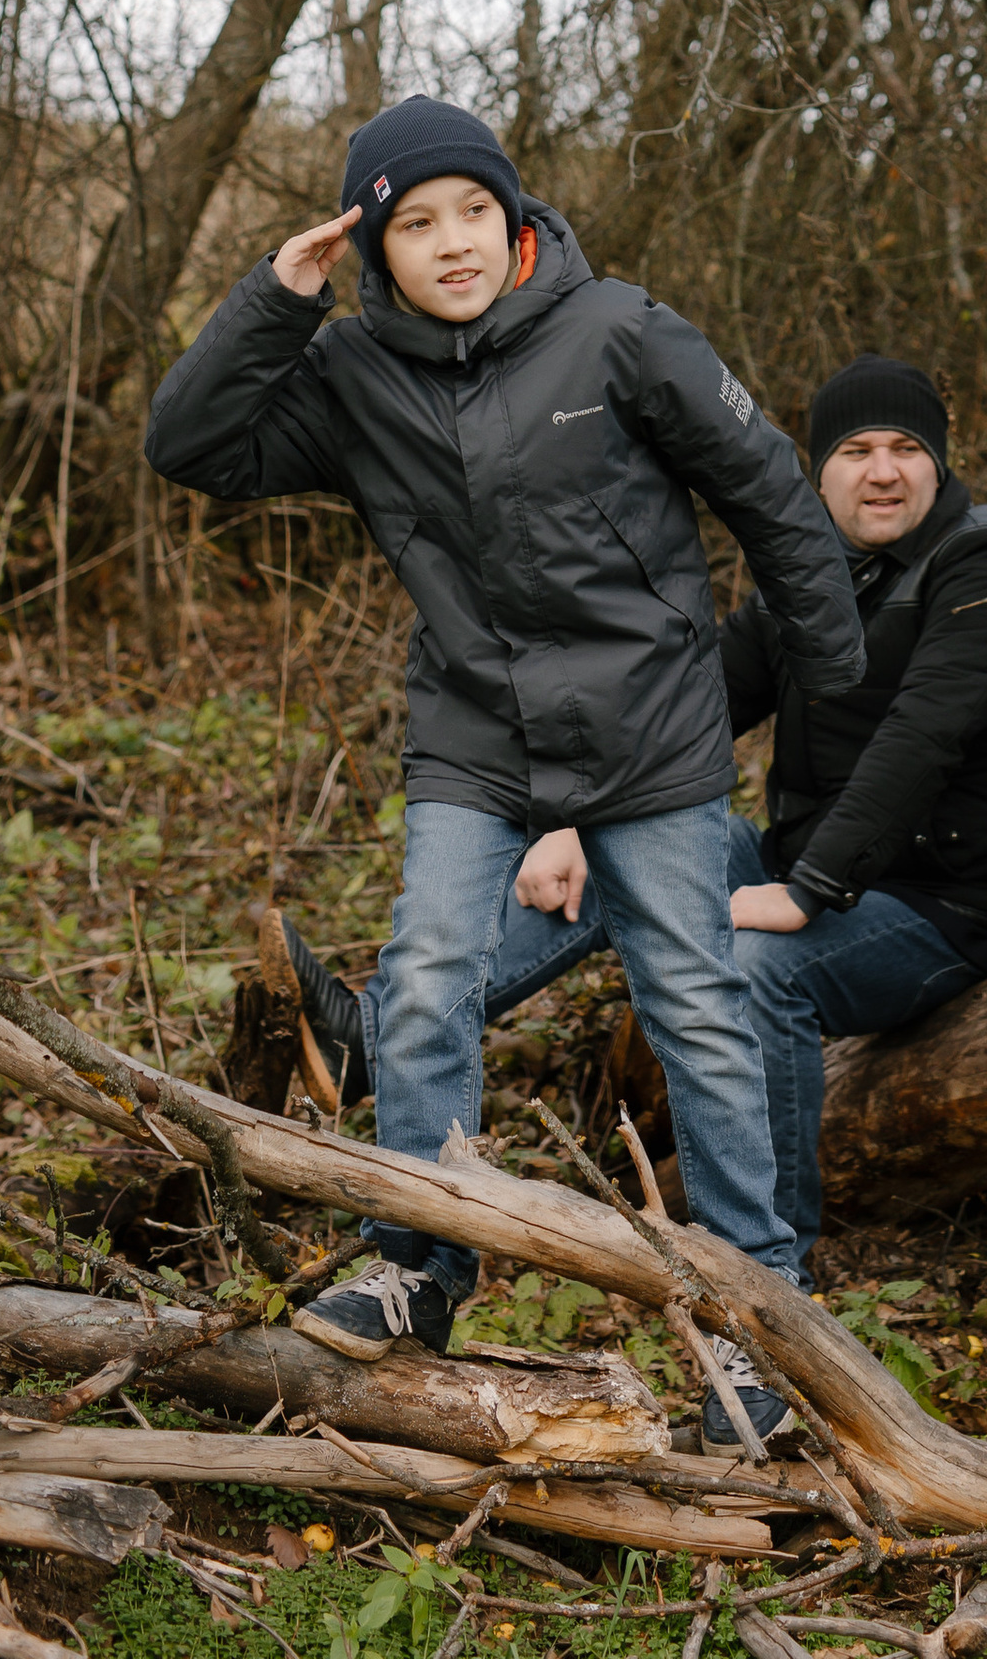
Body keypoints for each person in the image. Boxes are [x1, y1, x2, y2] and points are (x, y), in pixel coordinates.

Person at [144, 95, 862, 1440]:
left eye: (473, 208)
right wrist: (274, 298)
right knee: (423, 979)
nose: (453, 242)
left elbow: (769, 489)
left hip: (650, 728)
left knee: (697, 1008)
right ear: (375, 247)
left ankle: (760, 1320)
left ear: (514, 213)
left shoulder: (623, 329)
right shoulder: (354, 376)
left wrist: (836, 674)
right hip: (475, 735)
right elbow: (188, 444)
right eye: (414, 223)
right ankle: (419, 1261)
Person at [720, 354, 987, 1275]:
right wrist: (577, 818)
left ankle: (766, 1272)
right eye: (857, 450)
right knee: (638, 840)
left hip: (944, 908)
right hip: (812, 871)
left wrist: (807, 891)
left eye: (907, 448)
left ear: (936, 466)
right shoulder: (809, 568)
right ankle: (382, 1034)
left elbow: (922, 736)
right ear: (817, 470)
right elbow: (698, 706)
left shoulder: (983, 565)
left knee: (761, 966)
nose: (883, 470)